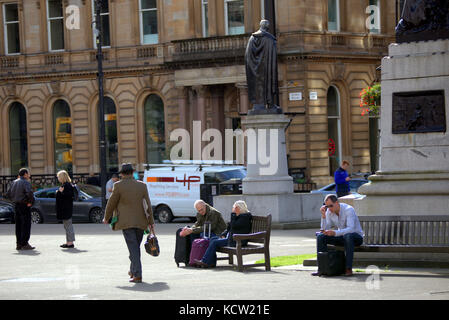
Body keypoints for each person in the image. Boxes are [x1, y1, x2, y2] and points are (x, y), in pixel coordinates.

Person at [103, 163, 155, 283]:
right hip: (141, 222)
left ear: (121, 174)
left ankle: (137, 275)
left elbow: (111, 203)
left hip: (126, 222)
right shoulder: (142, 185)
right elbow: (148, 205)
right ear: (133, 172)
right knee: (135, 248)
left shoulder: (118, 186)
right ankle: (132, 270)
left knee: (133, 249)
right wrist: (151, 221)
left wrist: (106, 217)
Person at [312, 194, 364, 277]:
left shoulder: (349, 210)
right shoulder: (329, 211)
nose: (329, 208)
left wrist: (335, 233)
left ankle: (348, 268)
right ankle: (322, 268)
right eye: (327, 206)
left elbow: (351, 229)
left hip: (356, 237)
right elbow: (324, 229)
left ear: (336, 203)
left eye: (331, 206)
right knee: (321, 237)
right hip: (342, 237)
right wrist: (323, 216)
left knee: (348, 235)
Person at [194, 200, 253, 268]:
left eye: (234, 208)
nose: (232, 209)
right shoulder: (239, 216)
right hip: (231, 239)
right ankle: (210, 262)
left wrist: (233, 215)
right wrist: (223, 234)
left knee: (215, 242)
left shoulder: (244, 217)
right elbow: (229, 228)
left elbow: (234, 226)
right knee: (212, 239)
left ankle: (205, 261)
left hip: (238, 241)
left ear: (239, 209)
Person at [5, 168, 35, 250]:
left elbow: (7, 194)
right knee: (26, 224)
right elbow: (29, 193)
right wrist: (30, 202)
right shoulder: (25, 182)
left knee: (18, 225)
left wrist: (14, 200)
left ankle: (18, 244)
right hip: (24, 205)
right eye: (28, 173)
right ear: (25, 174)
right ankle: (25, 243)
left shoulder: (14, 182)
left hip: (16, 205)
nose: (29, 175)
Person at [56, 170, 76, 249]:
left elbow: (68, 196)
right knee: (67, 226)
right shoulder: (65, 185)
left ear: (62, 177)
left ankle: (70, 243)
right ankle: (69, 242)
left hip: (66, 209)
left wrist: (60, 192)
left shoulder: (67, 185)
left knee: (68, 226)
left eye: (58, 177)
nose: (58, 178)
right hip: (65, 209)